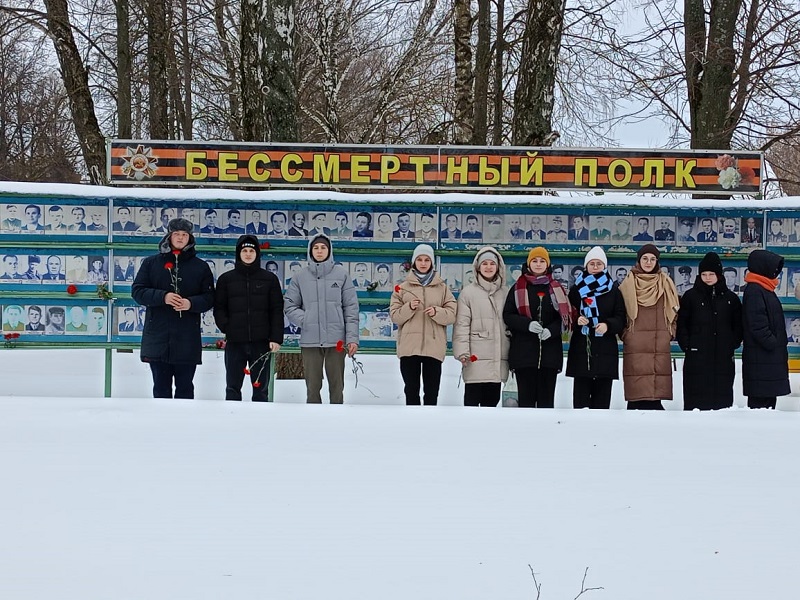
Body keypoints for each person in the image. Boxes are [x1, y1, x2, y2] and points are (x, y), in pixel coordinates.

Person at [131, 218, 215, 399]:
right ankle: (161, 426)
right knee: (160, 389)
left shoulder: (200, 266)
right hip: (158, 338)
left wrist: (190, 303)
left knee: (185, 389)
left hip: (187, 340)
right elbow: (138, 291)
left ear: (190, 238)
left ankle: (184, 426)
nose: (180, 238)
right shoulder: (151, 263)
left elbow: (209, 298)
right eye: (176, 234)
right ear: (168, 236)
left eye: (184, 235)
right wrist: (164, 297)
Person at [284, 235, 359, 404]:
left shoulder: (342, 275)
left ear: (329, 250)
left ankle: (336, 420)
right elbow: (289, 305)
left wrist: (352, 338)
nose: (319, 251)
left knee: (337, 387)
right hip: (310, 341)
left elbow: (351, 308)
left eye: (323, 248)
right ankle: (313, 421)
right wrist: (306, 319)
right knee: (312, 387)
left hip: (336, 341)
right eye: (316, 248)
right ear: (310, 250)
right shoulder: (300, 277)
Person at [214, 235, 284, 402]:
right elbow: (219, 307)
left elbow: (276, 310)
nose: (247, 254)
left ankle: (260, 423)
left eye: (251, 250)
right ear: (238, 253)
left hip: (261, 342)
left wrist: (275, 338)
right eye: (244, 250)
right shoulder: (226, 279)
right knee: (232, 386)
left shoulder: (269, 279)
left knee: (260, 388)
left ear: (257, 253)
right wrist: (227, 327)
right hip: (235, 342)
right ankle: (233, 420)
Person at [503, 247, 571, 408]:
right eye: (534, 261)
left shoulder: (556, 288)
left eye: (542, 261)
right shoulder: (518, 287)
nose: (538, 264)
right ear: (528, 264)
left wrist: (551, 331)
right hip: (523, 356)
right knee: (525, 403)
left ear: (547, 265)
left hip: (549, 356)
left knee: (546, 404)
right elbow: (508, 315)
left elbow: (564, 318)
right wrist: (527, 325)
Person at [390, 244, 457, 405]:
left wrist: (437, 312)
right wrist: (409, 308)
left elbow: (452, 314)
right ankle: (412, 424)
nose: (423, 263)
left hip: (433, 348)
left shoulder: (442, 288)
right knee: (411, 391)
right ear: (414, 263)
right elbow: (395, 316)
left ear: (432, 263)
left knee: (432, 392)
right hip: (409, 348)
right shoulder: (402, 288)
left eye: (427, 260)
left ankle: (431, 425)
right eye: (419, 259)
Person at [676, 252, 743, 410]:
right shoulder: (690, 296)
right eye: (704, 274)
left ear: (719, 275)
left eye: (711, 274)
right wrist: (688, 346)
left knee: (722, 404)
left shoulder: (731, 299)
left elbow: (739, 326)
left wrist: (731, 344)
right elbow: (682, 324)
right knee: (696, 405)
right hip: (696, 359)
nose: (707, 277)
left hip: (723, 359)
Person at [618, 244, 680, 409]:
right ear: (639, 260)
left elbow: (675, 310)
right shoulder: (627, 284)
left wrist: (670, 332)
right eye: (645, 258)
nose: (648, 262)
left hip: (658, 343)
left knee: (655, 395)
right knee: (636, 395)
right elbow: (619, 312)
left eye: (652, 259)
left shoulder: (666, 283)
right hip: (635, 344)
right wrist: (626, 335)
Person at [566, 247, 627, 409]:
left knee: (602, 402)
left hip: (604, 349)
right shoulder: (576, 290)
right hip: (582, 348)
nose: (595, 266)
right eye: (591, 263)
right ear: (586, 266)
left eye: (598, 263)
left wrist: (608, 325)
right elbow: (567, 312)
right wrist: (576, 319)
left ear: (604, 266)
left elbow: (621, 317)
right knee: (580, 401)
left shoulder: (613, 291)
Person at [452, 247, 510, 407]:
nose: (488, 267)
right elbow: (462, 325)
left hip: (498, 359)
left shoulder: (505, 293)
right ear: (478, 267)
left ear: (498, 267)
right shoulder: (468, 293)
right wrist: (462, 352)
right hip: (475, 359)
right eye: (484, 263)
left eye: (492, 263)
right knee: (471, 404)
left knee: (492, 404)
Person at [741, 249, 791, 409]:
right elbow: (757, 325)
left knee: (768, 403)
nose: (776, 272)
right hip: (762, 358)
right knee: (761, 406)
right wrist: (773, 343)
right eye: (774, 268)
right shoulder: (755, 290)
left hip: (767, 359)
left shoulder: (764, 288)